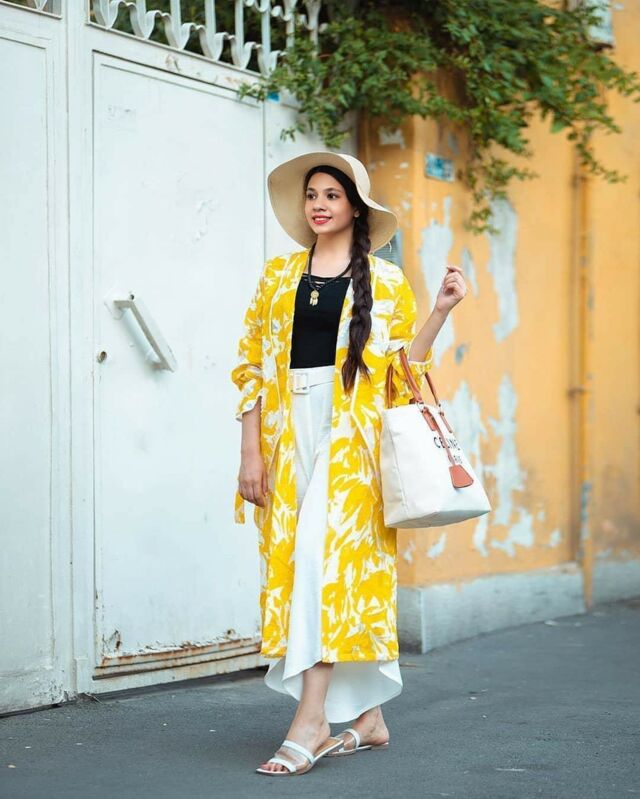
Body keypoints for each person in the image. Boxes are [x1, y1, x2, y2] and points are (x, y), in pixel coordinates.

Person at [231, 151, 467, 776]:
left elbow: (399, 374)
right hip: (288, 437)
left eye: (332, 195)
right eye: (312, 194)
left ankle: (311, 721)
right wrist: (251, 451)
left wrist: (440, 311)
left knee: (324, 566)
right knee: (304, 567)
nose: (318, 204)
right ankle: (369, 718)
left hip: (352, 447)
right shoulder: (278, 277)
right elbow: (250, 367)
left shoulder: (384, 282)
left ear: (355, 208)